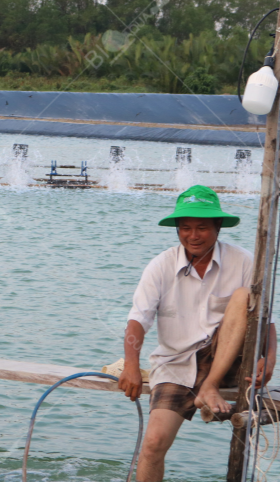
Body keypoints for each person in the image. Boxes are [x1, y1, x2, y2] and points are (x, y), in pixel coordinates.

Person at [118, 185, 277, 482]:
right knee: (153, 445)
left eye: (202, 227)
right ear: (177, 229)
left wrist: (269, 360)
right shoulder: (161, 266)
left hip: (229, 364)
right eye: (186, 228)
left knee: (244, 296)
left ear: (218, 227)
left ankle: (210, 387)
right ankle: (205, 389)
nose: (193, 235)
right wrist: (130, 365)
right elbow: (138, 319)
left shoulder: (242, 261)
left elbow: (265, 319)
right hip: (177, 365)